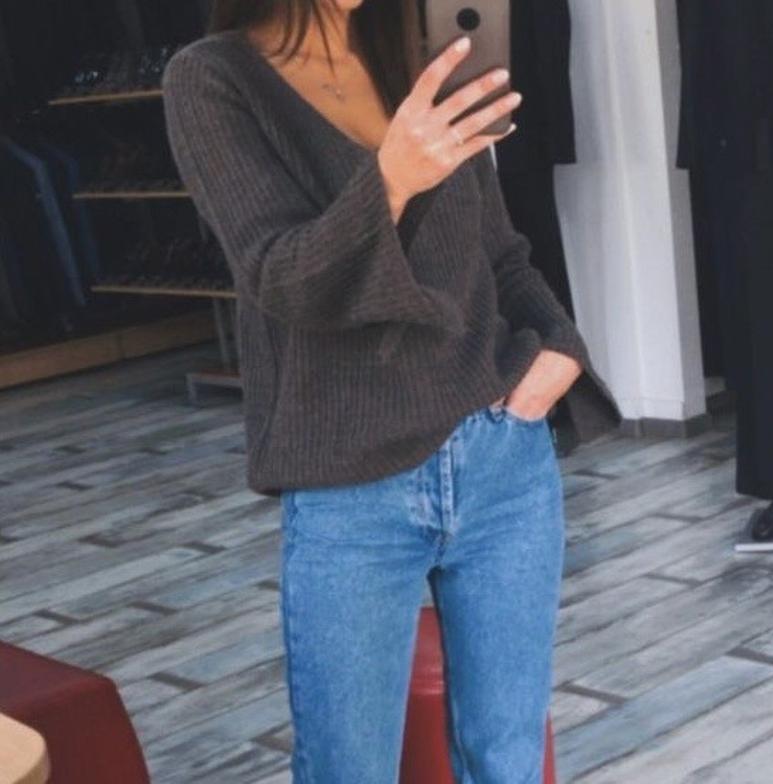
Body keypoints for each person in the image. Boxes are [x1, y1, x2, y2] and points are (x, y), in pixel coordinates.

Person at [162, 1, 622, 781]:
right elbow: (279, 277)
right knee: (348, 767)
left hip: (502, 459)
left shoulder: (420, 58)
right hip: (349, 485)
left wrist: (561, 351)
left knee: (508, 761)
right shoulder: (211, 79)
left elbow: (501, 256)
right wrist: (392, 180)